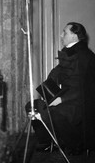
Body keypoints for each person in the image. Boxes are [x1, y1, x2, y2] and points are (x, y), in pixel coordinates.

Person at [26, 22, 95, 154]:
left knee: (57, 113)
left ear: (75, 36)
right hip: (65, 98)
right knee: (32, 106)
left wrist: (62, 99)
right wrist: (46, 93)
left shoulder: (86, 57)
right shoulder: (68, 52)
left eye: (65, 32)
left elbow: (86, 87)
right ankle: (48, 141)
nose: (61, 35)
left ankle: (76, 145)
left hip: (80, 102)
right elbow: (55, 74)